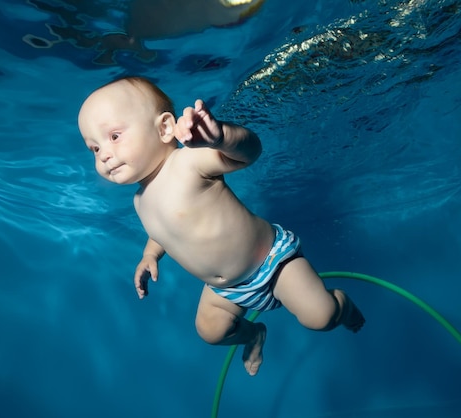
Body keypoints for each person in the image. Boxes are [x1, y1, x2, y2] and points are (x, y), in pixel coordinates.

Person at [77, 76, 365, 376]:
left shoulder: (189, 163)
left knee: (321, 317)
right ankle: (253, 334)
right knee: (210, 331)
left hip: (271, 263)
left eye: (113, 137)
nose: (105, 155)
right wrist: (150, 255)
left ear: (164, 128)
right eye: (94, 149)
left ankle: (343, 305)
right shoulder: (140, 200)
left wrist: (220, 137)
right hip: (226, 289)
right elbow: (162, 231)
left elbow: (250, 152)